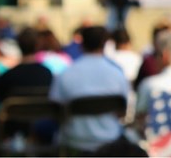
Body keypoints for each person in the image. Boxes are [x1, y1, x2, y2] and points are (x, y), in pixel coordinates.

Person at [49, 26, 129, 154]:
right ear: (104, 45)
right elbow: (122, 112)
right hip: (109, 139)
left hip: (73, 139)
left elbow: (56, 110)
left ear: (81, 45)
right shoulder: (117, 74)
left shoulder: (66, 74)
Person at [0, 27, 53, 102]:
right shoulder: (47, 75)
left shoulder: (7, 77)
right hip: (42, 113)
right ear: (37, 46)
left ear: (19, 45)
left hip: (15, 113)